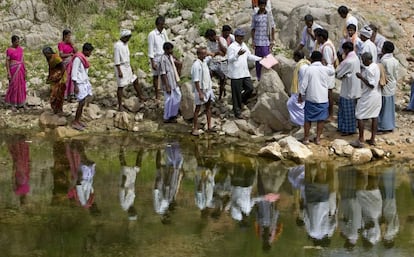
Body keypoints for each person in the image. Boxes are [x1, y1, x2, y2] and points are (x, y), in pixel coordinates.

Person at [298, 51, 335, 145]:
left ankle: (306, 138)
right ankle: (318, 138)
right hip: (323, 98)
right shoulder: (325, 69)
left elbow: (304, 84)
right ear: (321, 59)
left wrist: (301, 95)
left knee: (308, 119)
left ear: (312, 59)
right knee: (321, 119)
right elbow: (333, 71)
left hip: (311, 98)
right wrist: (328, 63)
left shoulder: (309, 69)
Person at [227, 28, 262, 119]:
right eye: (240, 37)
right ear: (236, 37)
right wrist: (237, 54)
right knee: (236, 93)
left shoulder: (244, 45)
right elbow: (229, 59)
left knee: (250, 88)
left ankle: (241, 101)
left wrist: (260, 58)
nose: (242, 38)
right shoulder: (232, 47)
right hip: (236, 74)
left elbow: (249, 56)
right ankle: (237, 112)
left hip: (244, 72)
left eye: (243, 37)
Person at [114, 29, 146, 111]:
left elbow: (127, 57)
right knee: (120, 86)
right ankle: (120, 105)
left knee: (135, 79)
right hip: (120, 66)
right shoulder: (117, 45)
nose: (128, 39)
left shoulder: (125, 44)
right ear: (124, 37)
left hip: (127, 66)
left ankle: (140, 95)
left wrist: (131, 67)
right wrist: (119, 71)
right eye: (128, 37)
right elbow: (117, 59)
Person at [353, 52, 381, 147]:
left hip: (369, 96)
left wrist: (361, 77)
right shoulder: (376, 66)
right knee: (374, 116)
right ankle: (372, 139)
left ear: (368, 60)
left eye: (363, 60)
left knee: (360, 115)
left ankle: (361, 139)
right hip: (377, 95)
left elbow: (371, 85)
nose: (362, 62)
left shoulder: (369, 70)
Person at [336, 42, 361, 136]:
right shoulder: (355, 58)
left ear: (346, 50)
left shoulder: (348, 61)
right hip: (353, 87)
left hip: (348, 89)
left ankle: (348, 129)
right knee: (349, 109)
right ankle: (344, 127)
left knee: (347, 110)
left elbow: (338, 73)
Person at [191, 47, 215, 136]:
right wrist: (200, 93)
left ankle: (209, 126)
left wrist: (210, 53)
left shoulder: (204, 61)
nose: (205, 55)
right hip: (200, 90)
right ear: (198, 54)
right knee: (197, 109)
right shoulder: (196, 65)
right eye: (203, 54)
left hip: (207, 88)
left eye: (205, 53)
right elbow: (196, 80)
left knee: (208, 107)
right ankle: (195, 128)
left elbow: (212, 55)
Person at [70, 43, 94, 131]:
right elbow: (74, 72)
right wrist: (75, 86)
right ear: (86, 51)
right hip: (79, 83)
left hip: (84, 82)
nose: (90, 54)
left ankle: (78, 120)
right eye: (90, 52)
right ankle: (75, 122)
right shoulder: (78, 59)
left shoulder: (82, 58)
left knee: (83, 102)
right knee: (81, 102)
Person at [316, 29, 337, 121]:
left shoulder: (326, 47)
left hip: (328, 73)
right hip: (327, 71)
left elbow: (328, 63)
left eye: (317, 37)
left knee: (329, 94)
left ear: (321, 37)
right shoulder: (326, 44)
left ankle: (330, 114)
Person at [251, 0, 275, 81]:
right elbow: (253, 28)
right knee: (258, 61)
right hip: (257, 41)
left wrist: (272, 40)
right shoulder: (255, 15)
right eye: (260, 4)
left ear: (265, 5)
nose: (262, 6)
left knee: (267, 59)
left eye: (263, 4)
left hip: (266, 41)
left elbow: (272, 27)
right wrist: (253, 41)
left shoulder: (269, 15)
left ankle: (268, 77)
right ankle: (259, 78)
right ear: (258, 5)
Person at [378, 41, 399, 133]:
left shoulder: (384, 61)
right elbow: (396, 74)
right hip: (392, 84)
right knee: (389, 106)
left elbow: (382, 74)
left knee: (383, 107)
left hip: (385, 85)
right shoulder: (395, 60)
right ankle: (390, 125)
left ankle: (383, 126)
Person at [159, 42, 182, 123]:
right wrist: (167, 85)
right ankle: (166, 117)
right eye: (170, 49)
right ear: (165, 50)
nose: (171, 51)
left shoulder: (171, 57)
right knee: (168, 99)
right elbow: (163, 73)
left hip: (174, 80)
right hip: (168, 81)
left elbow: (179, 63)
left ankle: (173, 114)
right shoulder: (163, 59)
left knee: (178, 96)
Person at [148, 16, 169, 100]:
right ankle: (157, 93)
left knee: (165, 74)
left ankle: (164, 90)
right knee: (156, 76)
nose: (162, 26)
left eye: (163, 24)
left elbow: (167, 42)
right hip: (156, 57)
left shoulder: (164, 32)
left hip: (164, 56)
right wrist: (152, 62)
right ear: (157, 25)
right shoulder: (152, 34)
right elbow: (150, 48)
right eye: (161, 25)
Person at [119, 146, 142, 221]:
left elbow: (122, 192)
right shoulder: (131, 204)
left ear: (129, 213)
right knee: (137, 168)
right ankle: (141, 149)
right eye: (135, 212)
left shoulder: (124, 205)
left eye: (132, 213)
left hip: (126, 183)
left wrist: (123, 181)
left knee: (124, 166)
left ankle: (121, 149)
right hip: (131, 182)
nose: (134, 211)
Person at [287, 50, 309, 126]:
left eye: (294, 56)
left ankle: (301, 122)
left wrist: (300, 93)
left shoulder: (302, 67)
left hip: (300, 91)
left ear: (297, 57)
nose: (293, 58)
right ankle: (300, 122)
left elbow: (303, 81)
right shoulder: (303, 64)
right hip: (300, 90)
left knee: (291, 104)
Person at [42, 46, 67, 115]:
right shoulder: (48, 58)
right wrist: (50, 76)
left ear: (50, 53)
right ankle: (55, 109)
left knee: (59, 94)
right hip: (54, 76)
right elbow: (50, 67)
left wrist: (59, 76)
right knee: (54, 94)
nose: (45, 55)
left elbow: (63, 67)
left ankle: (59, 109)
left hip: (60, 77)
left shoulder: (56, 58)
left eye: (46, 54)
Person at [5, 35, 27, 112]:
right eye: (16, 42)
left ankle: (21, 103)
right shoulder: (9, 50)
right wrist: (8, 73)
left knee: (21, 85)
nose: (18, 43)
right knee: (14, 86)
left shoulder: (20, 49)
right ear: (13, 42)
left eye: (18, 41)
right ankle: (13, 104)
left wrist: (25, 70)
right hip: (13, 70)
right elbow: (7, 62)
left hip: (21, 69)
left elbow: (23, 60)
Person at [8, 134, 31, 205]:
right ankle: (18, 140)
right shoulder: (17, 191)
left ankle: (20, 140)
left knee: (21, 156)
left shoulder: (26, 190)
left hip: (24, 169)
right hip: (21, 170)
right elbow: (13, 181)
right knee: (19, 157)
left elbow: (27, 178)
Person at [205, 29, 227, 100]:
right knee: (209, 74)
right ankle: (209, 93)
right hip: (214, 61)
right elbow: (209, 53)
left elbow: (225, 52)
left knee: (222, 78)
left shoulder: (222, 40)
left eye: (210, 37)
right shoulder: (209, 42)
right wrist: (217, 53)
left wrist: (219, 42)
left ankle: (221, 95)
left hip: (222, 61)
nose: (209, 39)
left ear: (214, 36)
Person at [58, 29, 77, 101]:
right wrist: (70, 54)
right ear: (65, 36)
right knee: (66, 78)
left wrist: (72, 44)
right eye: (68, 36)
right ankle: (65, 94)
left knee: (72, 77)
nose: (70, 37)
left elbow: (76, 51)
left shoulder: (70, 44)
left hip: (72, 63)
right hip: (65, 63)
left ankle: (71, 93)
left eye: (70, 36)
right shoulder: (61, 44)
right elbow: (61, 54)